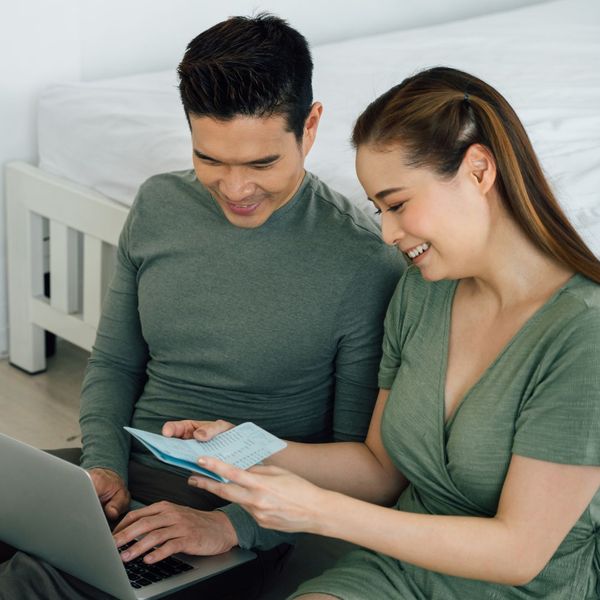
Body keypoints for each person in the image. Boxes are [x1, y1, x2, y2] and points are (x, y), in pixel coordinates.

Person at [0, 13, 403, 600]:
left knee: (33, 585)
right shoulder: (159, 205)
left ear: (310, 127)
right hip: (126, 482)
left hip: (251, 520)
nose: (236, 189)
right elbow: (114, 365)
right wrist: (102, 468)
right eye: (210, 159)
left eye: (262, 164)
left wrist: (229, 526)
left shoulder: (364, 262)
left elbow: (361, 474)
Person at [166, 67, 600, 599]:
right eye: (378, 210)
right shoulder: (423, 292)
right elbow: (378, 470)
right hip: (399, 573)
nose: (389, 233)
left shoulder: (583, 334)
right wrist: (245, 445)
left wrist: (320, 512)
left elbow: (518, 553)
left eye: (397, 205)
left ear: (479, 170)